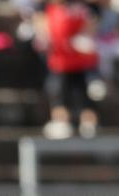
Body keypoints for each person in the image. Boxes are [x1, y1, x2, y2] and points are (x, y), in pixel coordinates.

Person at [42, 0, 100, 139]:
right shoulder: (53, 9)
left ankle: (88, 125)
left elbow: (90, 28)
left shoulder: (81, 10)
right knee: (58, 96)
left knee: (83, 97)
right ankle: (62, 124)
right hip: (60, 63)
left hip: (78, 63)